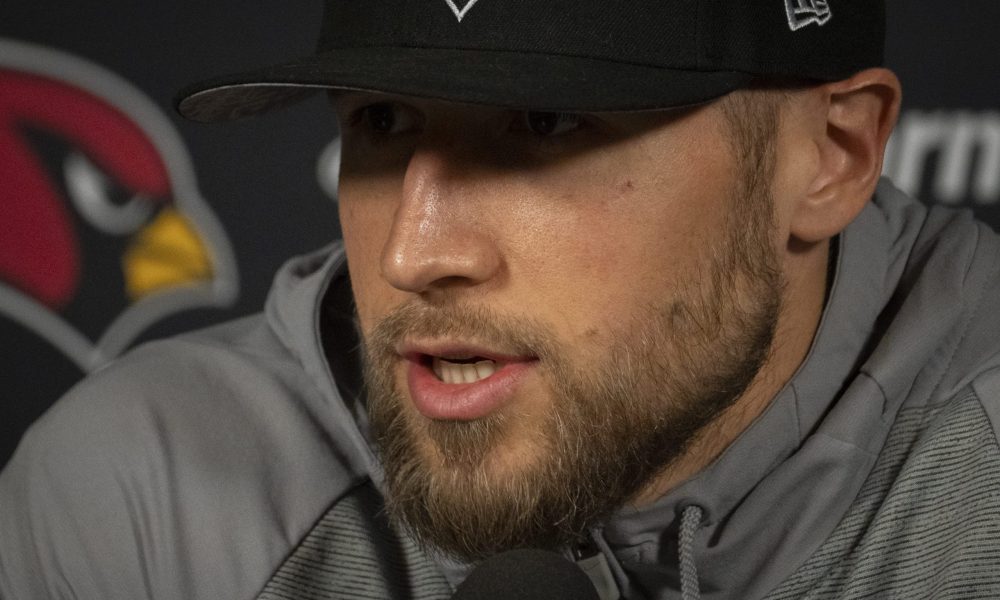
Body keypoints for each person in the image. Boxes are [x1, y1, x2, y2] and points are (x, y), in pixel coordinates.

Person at [4, 1, 1000, 598]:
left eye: (548, 122)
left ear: (830, 158)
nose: (413, 252)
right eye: (383, 121)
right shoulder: (152, 492)